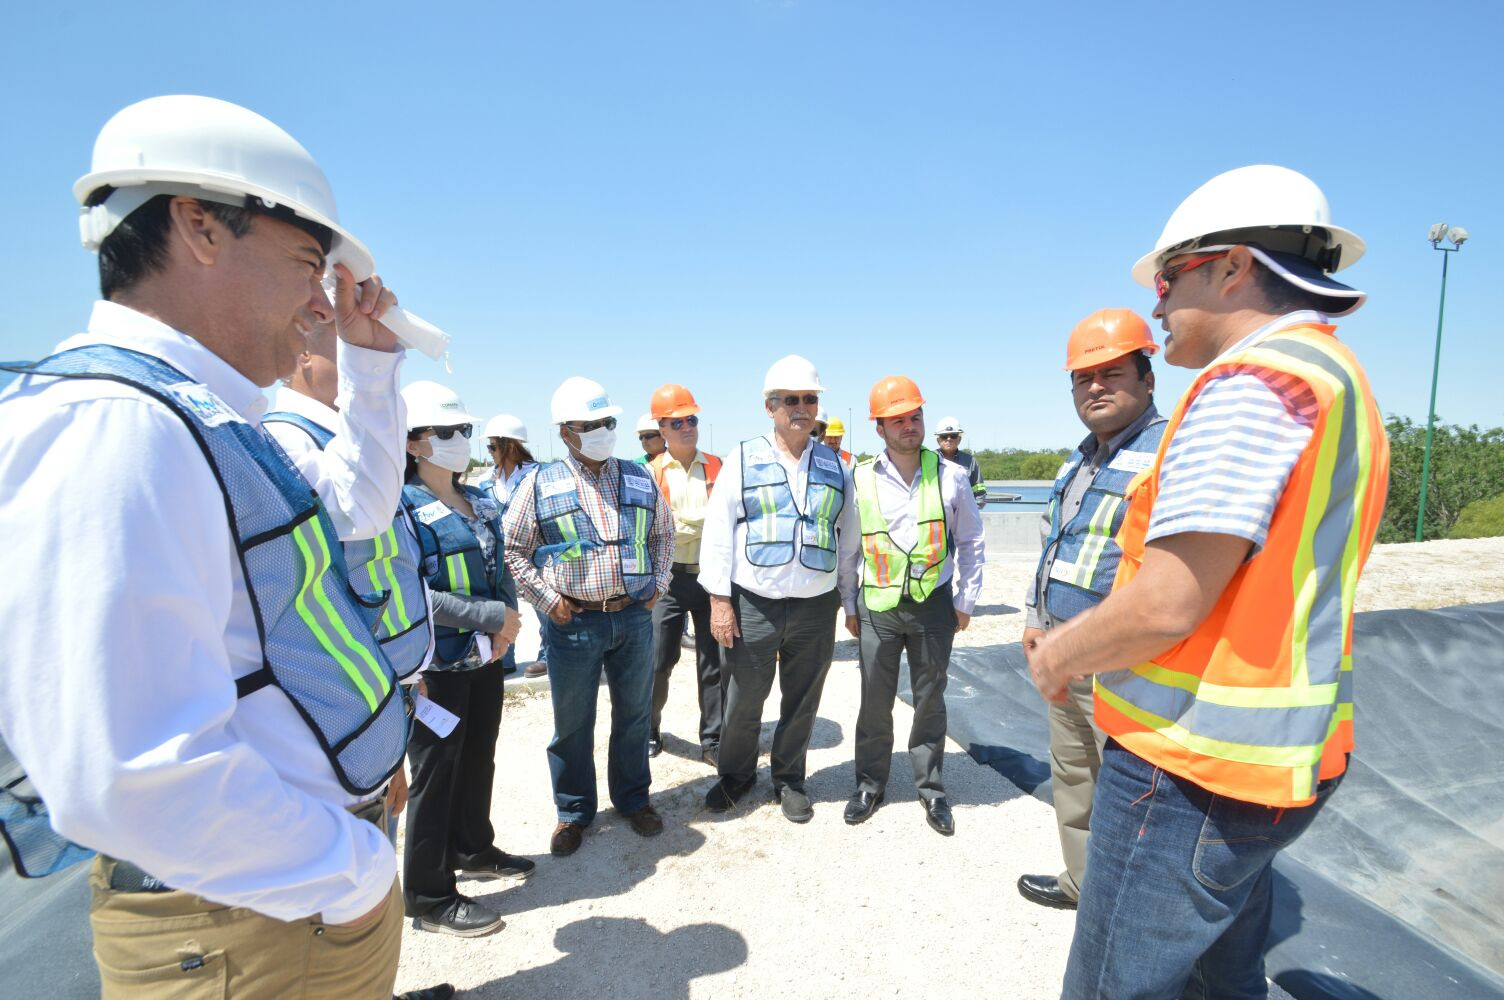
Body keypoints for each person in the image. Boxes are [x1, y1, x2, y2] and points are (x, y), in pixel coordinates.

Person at [0, 95, 411, 997]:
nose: (319, 304)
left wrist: (372, 367)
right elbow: (127, 769)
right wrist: (352, 870)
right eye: (309, 263)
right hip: (249, 922)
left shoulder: (203, 416)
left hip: (278, 899)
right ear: (199, 227)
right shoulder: (112, 426)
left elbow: (361, 511)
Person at [1025, 165, 1389, 999]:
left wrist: (1060, 656)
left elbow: (1168, 600)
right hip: (1270, 760)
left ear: (1231, 267)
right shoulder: (1334, 379)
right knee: (1222, 977)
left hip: (1190, 766)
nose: (1158, 302)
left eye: (1167, 276)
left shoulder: (1252, 386)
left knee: (1118, 983)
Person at [1014, 309, 1166, 911]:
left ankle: (1134, 910)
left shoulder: (1169, 454)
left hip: (1123, 663)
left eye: (1112, 372)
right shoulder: (1076, 464)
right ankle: (1083, 884)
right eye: (1083, 378)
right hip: (1060, 649)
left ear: (1147, 379)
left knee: (1135, 793)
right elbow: (1055, 546)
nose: (1096, 387)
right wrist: (1034, 616)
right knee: (1074, 774)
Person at [503, 377, 675, 857]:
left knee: (635, 716)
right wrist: (547, 599)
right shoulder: (540, 482)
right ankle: (574, 812)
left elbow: (664, 534)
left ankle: (634, 799)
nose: (602, 431)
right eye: (589, 424)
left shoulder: (638, 476)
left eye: (607, 422)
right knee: (573, 722)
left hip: (634, 618)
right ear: (565, 433)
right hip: (573, 623)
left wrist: (658, 586)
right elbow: (512, 549)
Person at [699, 355, 860, 823]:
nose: (802, 407)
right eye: (791, 400)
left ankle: (789, 779)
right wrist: (719, 601)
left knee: (803, 698)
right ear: (769, 407)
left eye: (809, 399)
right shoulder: (742, 459)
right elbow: (718, 534)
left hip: (816, 605)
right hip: (755, 604)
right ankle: (736, 774)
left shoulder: (836, 465)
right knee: (744, 698)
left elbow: (847, 539)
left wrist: (847, 600)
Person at [400, 381, 527, 938]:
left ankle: (473, 848)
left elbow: (500, 570)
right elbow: (412, 595)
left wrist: (508, 625)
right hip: (434, 669)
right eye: (445, 432)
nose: (458, 441)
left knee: (478, 757)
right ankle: (428, 896)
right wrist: (490, 619)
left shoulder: (478, 500)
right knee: (434, 774)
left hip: (486, 659)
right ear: (413, 443)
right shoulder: (397, 507)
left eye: (464, 432)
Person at [842, 376, 984, 836]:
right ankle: (869, 784)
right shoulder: (859, 478)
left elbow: (971, 541)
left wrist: (965, 600)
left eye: (915, 417)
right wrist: (849, 603)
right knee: (874, 700)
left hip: (932, 606)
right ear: (879, 428)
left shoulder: (952, 476)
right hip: (878, 606)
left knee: (930, 699)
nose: (910, 426)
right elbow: (849, 549)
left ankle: (931, 788)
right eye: (898, 420)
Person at [644, 383, 724, 764]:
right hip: (669, 581)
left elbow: (727, 522)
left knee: (714, 662)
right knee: (660, 660)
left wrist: (685, 524)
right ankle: (649, 728)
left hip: (711, 579)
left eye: (691, 419)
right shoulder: (650, 473)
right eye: (677, 423)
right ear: (661, 430)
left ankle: (713, 740)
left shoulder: (719, 466)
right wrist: (695, 523)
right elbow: (654, 528)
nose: (687, 427)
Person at [483, 413, 548, 678]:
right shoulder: (488, 480)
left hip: (532, 552)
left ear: (508, 445)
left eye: (492, 447)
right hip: (500, 554)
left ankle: (548, 656)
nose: (489, 453)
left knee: (543, 606)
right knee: (505, 604)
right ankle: (504, 656)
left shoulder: (538, 475)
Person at [933, 416, 986, 504]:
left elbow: (979, 491)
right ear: (938, 440)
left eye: (953, 435)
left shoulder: (970, 461)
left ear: (959, 439)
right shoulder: (928, 459)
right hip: (936, 515)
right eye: (944, 436)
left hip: (964, 516)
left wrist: (972, 513)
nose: (949, 439)